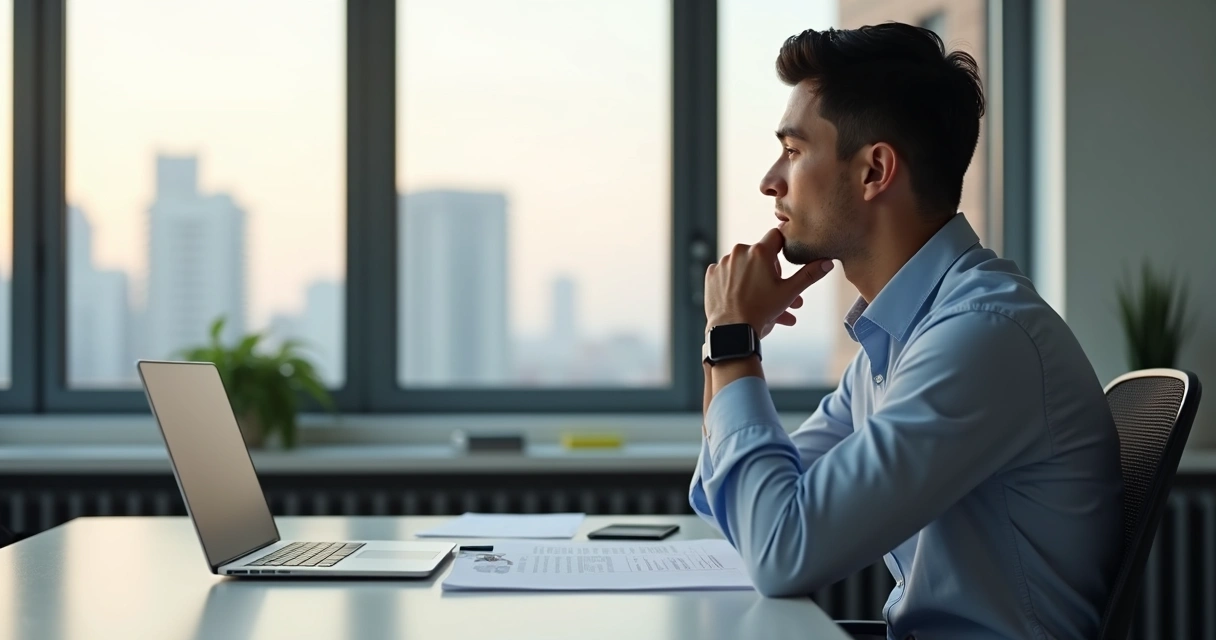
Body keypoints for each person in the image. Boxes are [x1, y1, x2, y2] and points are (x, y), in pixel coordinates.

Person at [691, 23, 1122, 640]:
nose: (770, 181)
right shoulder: (895, 341)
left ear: (875, 171)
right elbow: (728, 504)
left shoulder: (980, 338)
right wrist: (724, 341)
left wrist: (734, 338)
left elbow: (781, 551)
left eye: (793, 149)